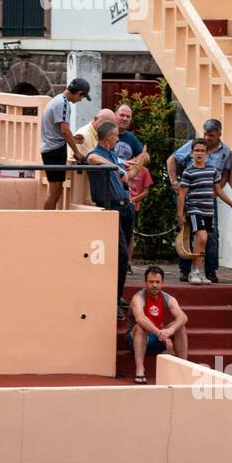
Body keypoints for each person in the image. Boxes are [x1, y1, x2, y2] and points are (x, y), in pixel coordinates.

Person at [167, 119, 232, 282]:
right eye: (205, 134)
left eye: (211, 135)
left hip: (208, 203)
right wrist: (174, 182)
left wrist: (222, 197)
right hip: (193, 202)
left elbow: (223, 177)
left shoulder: (225, 153)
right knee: (195, 235)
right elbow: (172, 160)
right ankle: (189, 269)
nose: (207, 138)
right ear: (193, 152)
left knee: (210, 236)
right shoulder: (190, 163)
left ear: (219, 135)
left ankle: (206, 270)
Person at [87, 119, 133, 317]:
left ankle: (118, 295)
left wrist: (121, 165)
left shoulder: (113, 153)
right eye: (115, 135)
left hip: (125, 207)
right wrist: (114, 168)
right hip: (110, 208)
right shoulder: (98, 153)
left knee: (125, 255)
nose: (117, 138)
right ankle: (112, 300)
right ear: (108, 138)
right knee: (120, 254)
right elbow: (92, 159)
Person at [126, 266, 188, 383]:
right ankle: (140, 369)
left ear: (162, 283)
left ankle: (183, 367)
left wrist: (170, 330)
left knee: (180, 327)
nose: (154, 285)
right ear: (145, 283)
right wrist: (159, 333)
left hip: (158, 337)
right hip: (135, 339)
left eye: (157, 282)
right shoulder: (138, 298)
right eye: (151, 282)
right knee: (140, 327)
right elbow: (140, 318)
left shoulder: (167, 298)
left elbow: (183, 317)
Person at [40, 77, 91, 209]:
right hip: (54, 151)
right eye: (82, 97)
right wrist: (77, 152)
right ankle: (46, 222)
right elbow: (64, 130)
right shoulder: (63, 104)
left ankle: (47, 220)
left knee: (55, 192)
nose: (80, 101)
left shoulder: (57, 99)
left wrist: (73, 138)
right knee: (55, 193)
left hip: (52, 149)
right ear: (79, 93)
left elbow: (56, 131)